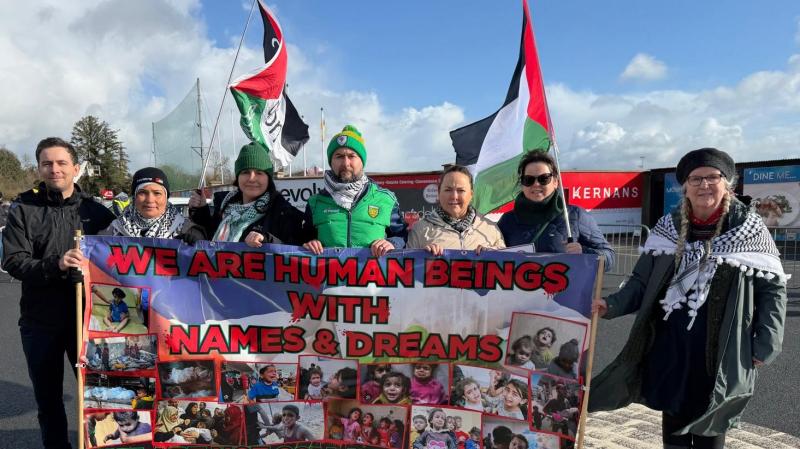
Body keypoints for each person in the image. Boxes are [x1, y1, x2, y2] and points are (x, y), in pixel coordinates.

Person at [589, 148, 788, 449]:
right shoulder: (668, 228)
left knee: (712, 419)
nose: (704, 185)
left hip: (720, 346)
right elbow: (642, 281)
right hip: (672, 343)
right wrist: (611, 304)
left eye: (712, 177)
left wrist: (766, 342)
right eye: (696, 178)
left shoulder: (748, 229)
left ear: (728, 183)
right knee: (673, 418)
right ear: (685, 186)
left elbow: (772, 289)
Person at [2, 137, 115, 449]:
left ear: (75, 168)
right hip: (41, 323)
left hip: (90, 324)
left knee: (99, 398)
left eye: (62, 163)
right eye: (47, 163)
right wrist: (57, 264)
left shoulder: (97, 213)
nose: (55, 169)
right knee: (49, 402)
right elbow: (13, 261)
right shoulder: (23, 208)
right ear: (39, 168)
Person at [497, 151, 615, 270]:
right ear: (522, 184)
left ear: (555, 182)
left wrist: (585, 252)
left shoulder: (576, 215)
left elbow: (609, 257)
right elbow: (493, 256)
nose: (536, 184)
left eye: (544, 178)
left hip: (567, 289)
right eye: (528, 179)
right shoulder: (507, 221)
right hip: (521, 287)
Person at [302, 125, 407, 256]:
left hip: (373, 275)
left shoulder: (385, 199)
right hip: (330, 275)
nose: (346, 163)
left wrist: (392, 242)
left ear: (362, 162)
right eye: (339, 156)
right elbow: (303, 239)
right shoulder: (315, 202)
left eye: (352, 156)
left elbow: (403, 235)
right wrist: (309, 243)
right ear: (331, 162)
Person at [189, 141, 307, 246]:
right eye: (245, 172)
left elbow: (295, 252)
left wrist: (267, 240)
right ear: (238, 177)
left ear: (268, 178)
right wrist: (201, 211)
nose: (251, 178)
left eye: (259, 173)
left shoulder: (283, 213)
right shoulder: (224, 205)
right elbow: (209, 238)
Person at [407, 165, 505, 254]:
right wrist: (422, 256)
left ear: (471, 194)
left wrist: (495, 255)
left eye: (461, 190)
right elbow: (408, 269)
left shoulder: (490, 229)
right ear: (439, 192)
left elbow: (507, 269)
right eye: (448, 190)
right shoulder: (420, 230)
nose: (454, 196)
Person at [101, 167, 205, 243]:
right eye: (142, 193)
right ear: (134, 197)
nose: (150, 200)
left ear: (166, 197)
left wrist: (194, 249)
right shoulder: (114, 230)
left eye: (157, 193)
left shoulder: (186, 231)